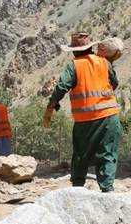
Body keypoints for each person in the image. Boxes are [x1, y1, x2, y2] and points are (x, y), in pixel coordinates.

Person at [43, 32, 122, 192]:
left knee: (81, 154)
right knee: (107, 153)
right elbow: (114, 84)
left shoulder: (74, 65)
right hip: (109, 117)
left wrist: (50, 108)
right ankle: (107, 190)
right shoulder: (104, 62)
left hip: (85, 120)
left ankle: (78, 188)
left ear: (75, 50)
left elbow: (61, 87)